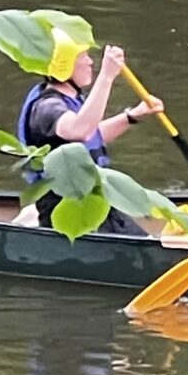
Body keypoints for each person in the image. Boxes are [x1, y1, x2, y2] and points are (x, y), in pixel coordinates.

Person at [16, 30, 166, 235]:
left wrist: (132, 116)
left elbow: (92, 135)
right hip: (66, 206)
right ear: (64, 64)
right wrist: (106, 76)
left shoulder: (73, 99)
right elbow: (80, 131)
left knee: (141, 237)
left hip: (96, 198)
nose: (90, 62)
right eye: (82, 57)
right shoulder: (46, 107)